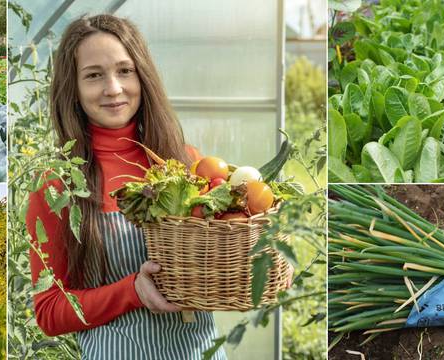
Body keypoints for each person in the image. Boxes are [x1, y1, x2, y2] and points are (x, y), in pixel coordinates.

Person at [26, 14, 292, 359]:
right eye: (94, 75)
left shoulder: (185, 165)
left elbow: (224, 248)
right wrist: (131, 291)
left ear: (143, 76)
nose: (113, 88)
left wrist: (266, 262)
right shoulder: (57, 185)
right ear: (73, 89)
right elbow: (49, 311)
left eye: (125, 70)